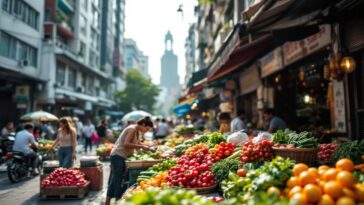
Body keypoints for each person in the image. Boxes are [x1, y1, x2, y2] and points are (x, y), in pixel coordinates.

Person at [105, 117, 154, 205]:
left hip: (122, 157)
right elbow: (126, 144)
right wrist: (142, 147)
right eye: (146, 128)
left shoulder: (136, 130)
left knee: (115, 179)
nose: (146, 131)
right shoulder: (132, 129)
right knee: (118, 180)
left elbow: (137, 143)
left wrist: (147, 147)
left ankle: (107, 202)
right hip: (118, 156)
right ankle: (117, 200)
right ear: (143, 125)